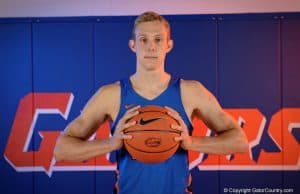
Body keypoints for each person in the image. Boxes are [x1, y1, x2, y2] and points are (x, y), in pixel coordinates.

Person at [54, 11, 248, 194]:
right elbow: (62, 149)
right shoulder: (111, 94)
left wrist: (191, 143)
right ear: (132, 45)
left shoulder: (191, 92)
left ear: (169, 45)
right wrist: (112, 143)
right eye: (143, 40)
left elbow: (239, 141)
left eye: (158, 39)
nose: (151, 46)